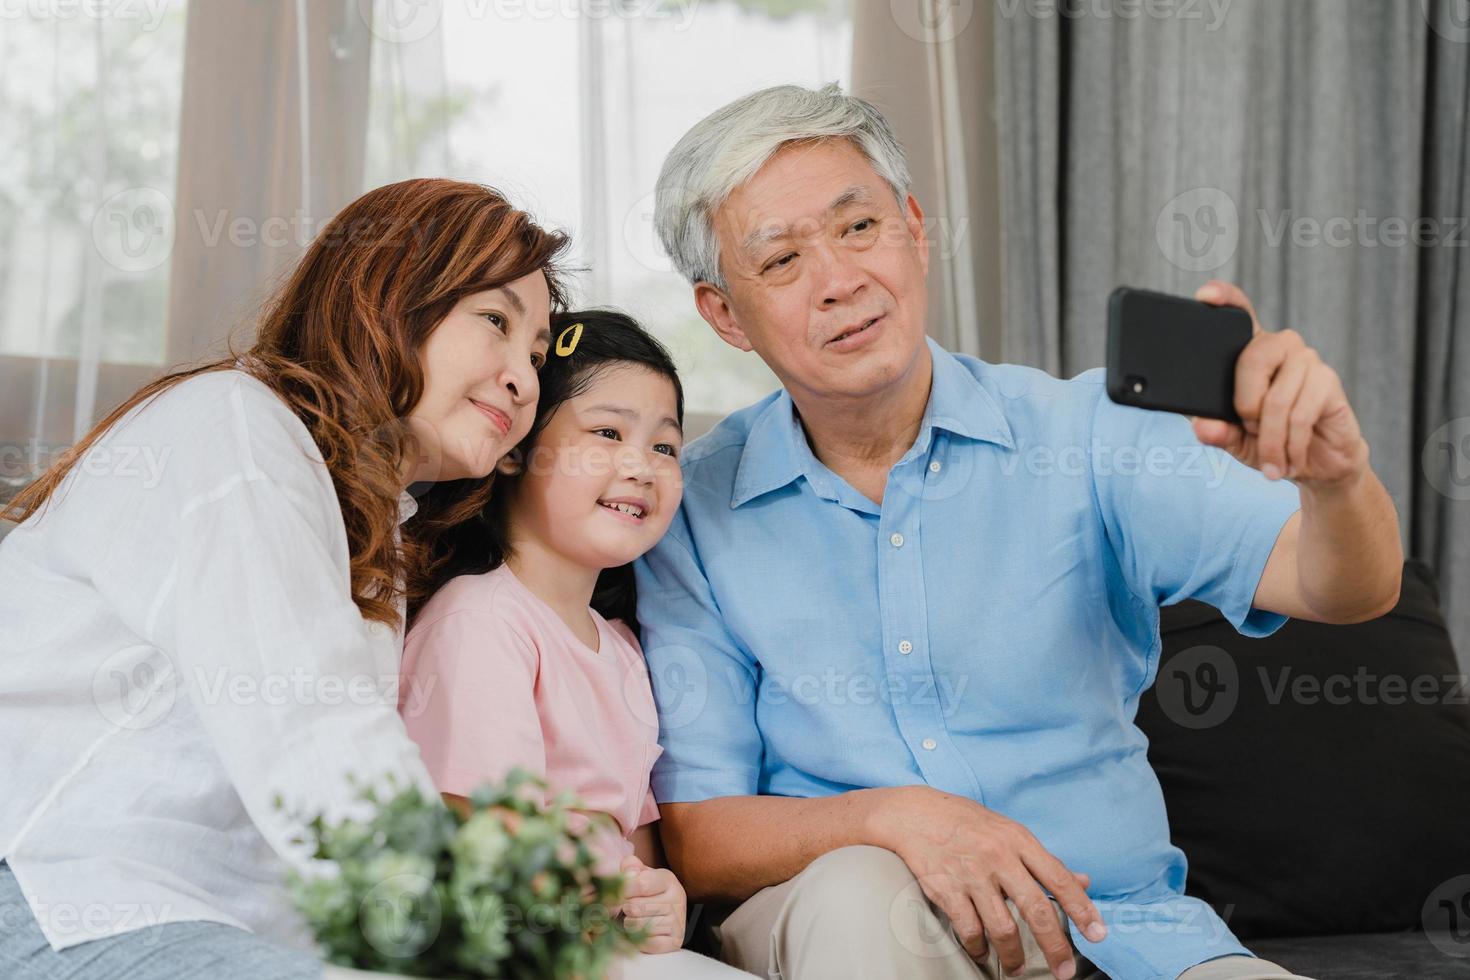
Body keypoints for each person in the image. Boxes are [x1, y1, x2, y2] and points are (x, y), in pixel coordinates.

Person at [633, 83, 1402, 980]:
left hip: (1118, 931)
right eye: (781, 262)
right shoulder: (691, 505)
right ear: (725, 314)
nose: (840, 282)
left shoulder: (1089, 432)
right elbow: (698, 832)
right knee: (855, 896)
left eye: (858, 228)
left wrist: (1336, 482)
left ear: (916, 232)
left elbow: (1344, 588)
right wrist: (893, 818)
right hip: (852, 926)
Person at [0, 178, 569, 979]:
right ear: (385, 296)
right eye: (495, 321)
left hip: (187, 918)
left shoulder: (368, 527)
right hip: (55, 891)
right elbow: (314, 731)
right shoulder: (236, 426)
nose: (523, 378)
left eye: (538, 354)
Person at [400, 309, 746, 979]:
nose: (642, 467)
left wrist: (659, 899)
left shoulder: (621, 647)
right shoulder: (482, 624)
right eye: (608, 432)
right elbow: (484, 855)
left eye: (665, 447)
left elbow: (635, 854)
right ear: (515, 450)